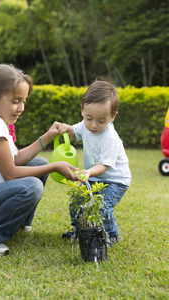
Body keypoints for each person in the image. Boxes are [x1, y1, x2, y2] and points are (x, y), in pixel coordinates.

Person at [0, 64, 79, 256]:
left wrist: (47, 137)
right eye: (15, 101)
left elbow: (18, 159)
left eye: (23, 101)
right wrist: (55, 166)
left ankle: (18, 223)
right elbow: (11, 173)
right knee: (32, 186)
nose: (21, 108)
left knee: (40, 165)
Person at [58, 78, 131, 246]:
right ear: (82, 111)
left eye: (101, 120)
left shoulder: (110, 138)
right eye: (89, 118)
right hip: (93, 176)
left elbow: (104, 165)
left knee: (101, 208)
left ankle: (111, 235)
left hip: (115, 180)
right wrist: (65, 129)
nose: (94, 125)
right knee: (76, 202)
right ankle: (78, 229)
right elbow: (72, 133)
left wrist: (88, 172)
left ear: (113, 117)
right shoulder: (85, 125)